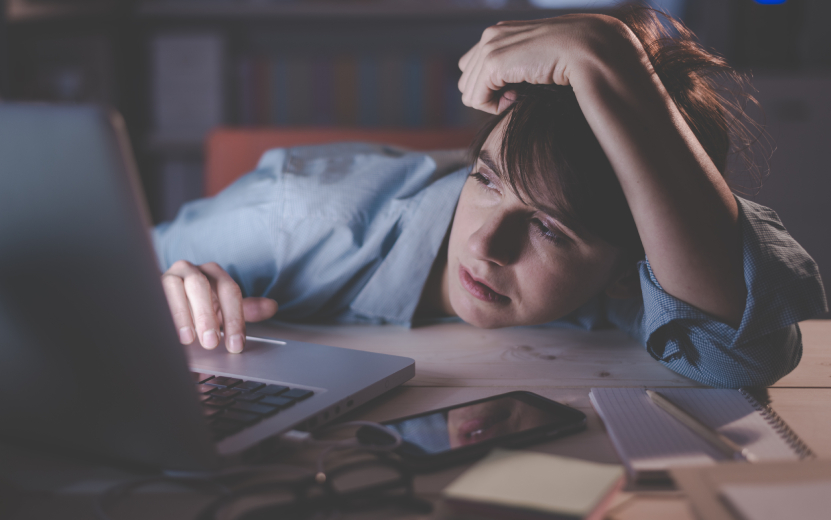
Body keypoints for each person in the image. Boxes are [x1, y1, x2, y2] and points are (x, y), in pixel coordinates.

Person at [152, 6, 827, 388]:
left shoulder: (632, 286)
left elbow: (738, 356)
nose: (482, 243)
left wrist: (608, 60)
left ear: (627, 270)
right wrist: (160, 290)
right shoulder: (298, 216)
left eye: (550, 230)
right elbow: (80, 274)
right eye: (485, 179)